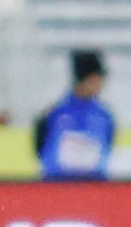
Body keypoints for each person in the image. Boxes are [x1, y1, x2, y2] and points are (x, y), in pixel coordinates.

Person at [35, 49, 115, 177]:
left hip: (93, 190)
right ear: (85, 79)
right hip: (58, 188)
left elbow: (107, 149)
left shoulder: (104, 117)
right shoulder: (53, 115)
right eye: (96, 79)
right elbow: (40, 151)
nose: (101, 84)